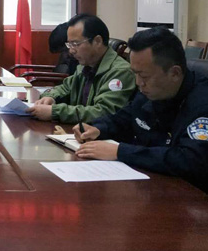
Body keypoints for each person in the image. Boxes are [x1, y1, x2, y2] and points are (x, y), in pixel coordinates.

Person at [74, 27, 208, 192]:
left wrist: (121, 152)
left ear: (174, 73)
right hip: (152, 186)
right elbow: (127, 117)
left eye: (144, 76)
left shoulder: (202, 104)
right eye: (135, 74)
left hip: (191, 197)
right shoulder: (151, 90)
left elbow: (190, 161)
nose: (138, 82)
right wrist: (98, 128)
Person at [28, 14, 136, 123]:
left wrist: (55, 112)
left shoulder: (120, 72)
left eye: (75, 44)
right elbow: (65, 88)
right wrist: (50, 97)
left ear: (97, 41)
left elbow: (104, 112)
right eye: (69, 44)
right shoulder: (85, 66)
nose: (71, 51)